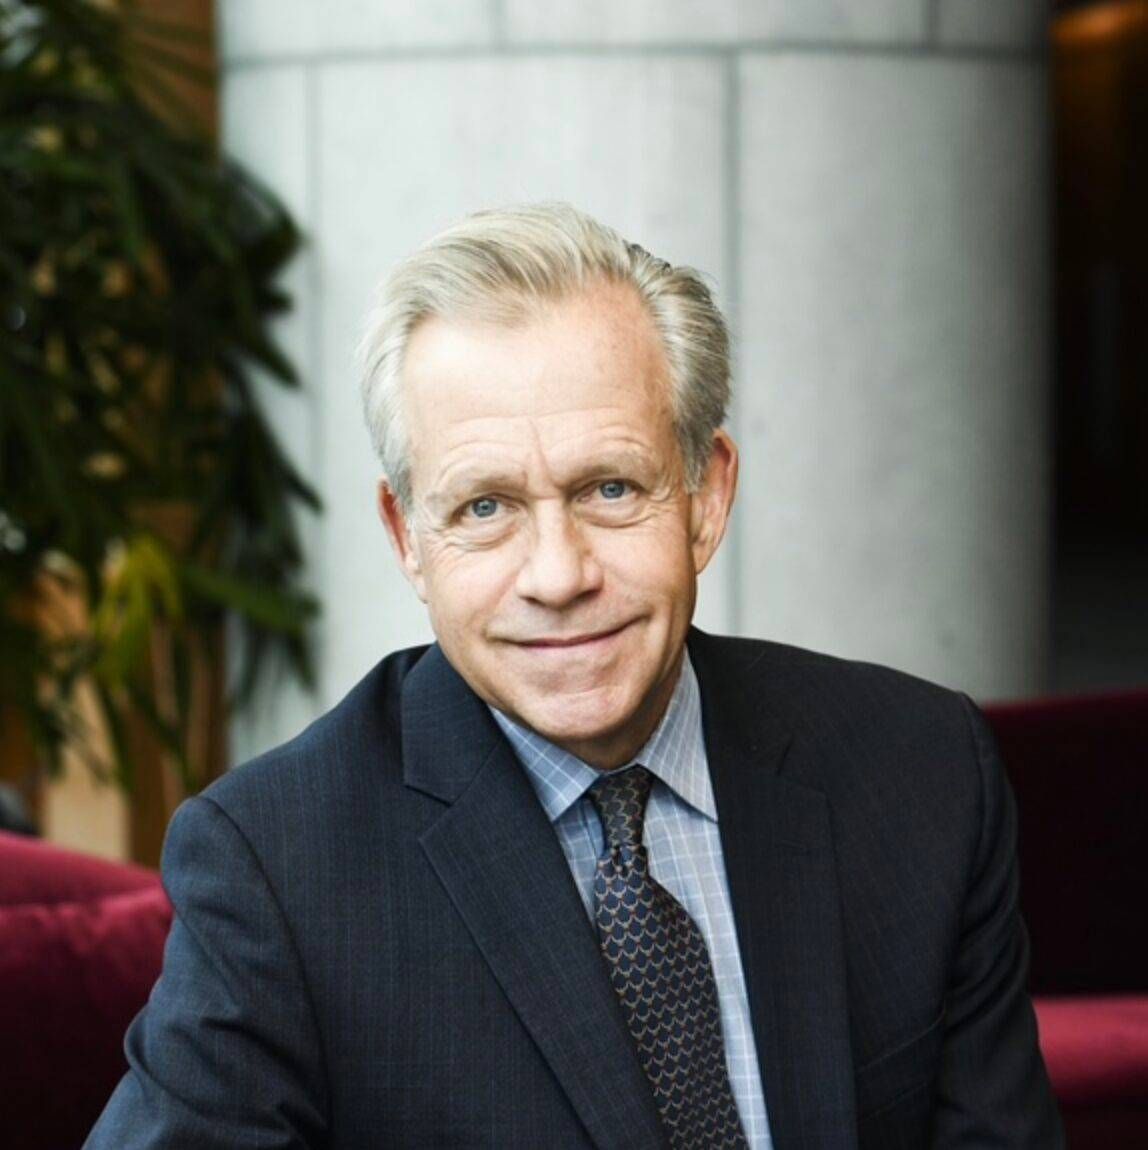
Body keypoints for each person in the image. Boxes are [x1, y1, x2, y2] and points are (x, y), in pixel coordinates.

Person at [87, 203, 1062, 1149]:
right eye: (484, 507)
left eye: (610, 488)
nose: (557, 577)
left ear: (706, 495)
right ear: (407, 537)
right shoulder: (280, 866)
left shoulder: (919, 773)